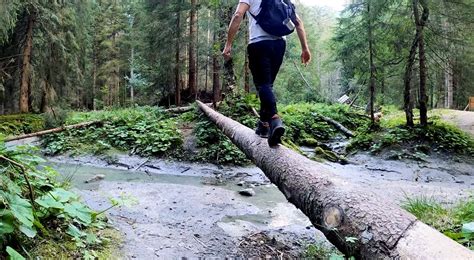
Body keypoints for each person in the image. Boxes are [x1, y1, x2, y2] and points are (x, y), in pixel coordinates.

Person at [223, 0, 311, 146]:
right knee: (267, 86)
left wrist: (228, 44)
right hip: (280, 45)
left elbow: (238, 15)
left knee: (263, 85)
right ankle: (263, 126)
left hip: (259, 44)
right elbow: (298, 22)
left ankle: (275, 120)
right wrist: (305, 48)